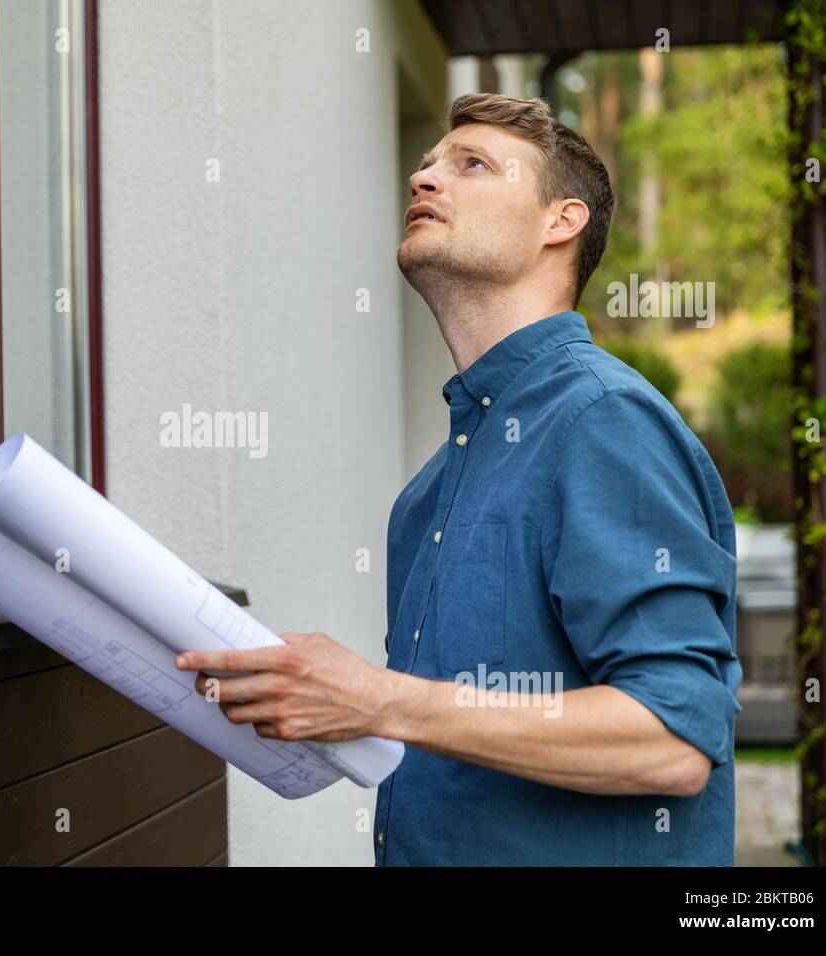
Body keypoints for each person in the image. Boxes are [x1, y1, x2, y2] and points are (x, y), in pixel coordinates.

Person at [173, 93, 743, 866]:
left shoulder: (602, 422)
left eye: (469, 165)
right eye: (426, 164)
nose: (424, 179)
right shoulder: (427, 496)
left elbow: (671, 739)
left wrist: (381, 699)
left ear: (560, 222)